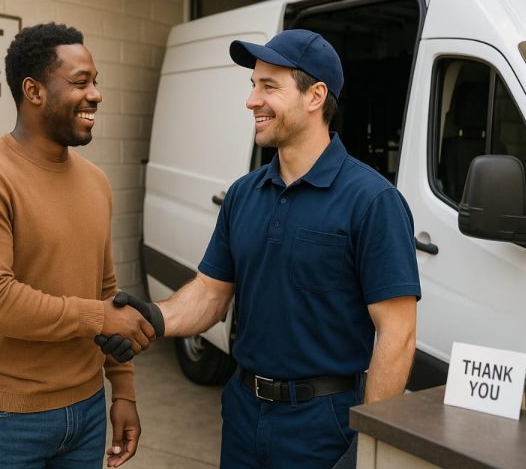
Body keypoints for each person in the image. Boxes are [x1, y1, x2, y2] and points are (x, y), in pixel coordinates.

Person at [101, 29, 421, 468]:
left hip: (324, 423)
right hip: (243, 411)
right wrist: (153, 318)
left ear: (315, 96)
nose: (252, 101)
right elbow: (211, 294)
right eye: (253, 85)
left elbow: (397, 334)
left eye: (269, 87)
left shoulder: (372, 201)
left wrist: (367, 446)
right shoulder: (243, 195)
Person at [0, 22, 156, 469]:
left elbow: (106, 289)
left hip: (86, 412)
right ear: (34, 91)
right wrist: (99, 316)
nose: (95, 94)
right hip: (3, 419)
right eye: (80, 82)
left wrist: (123, 390)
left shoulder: (96, 182)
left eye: (96, 81)